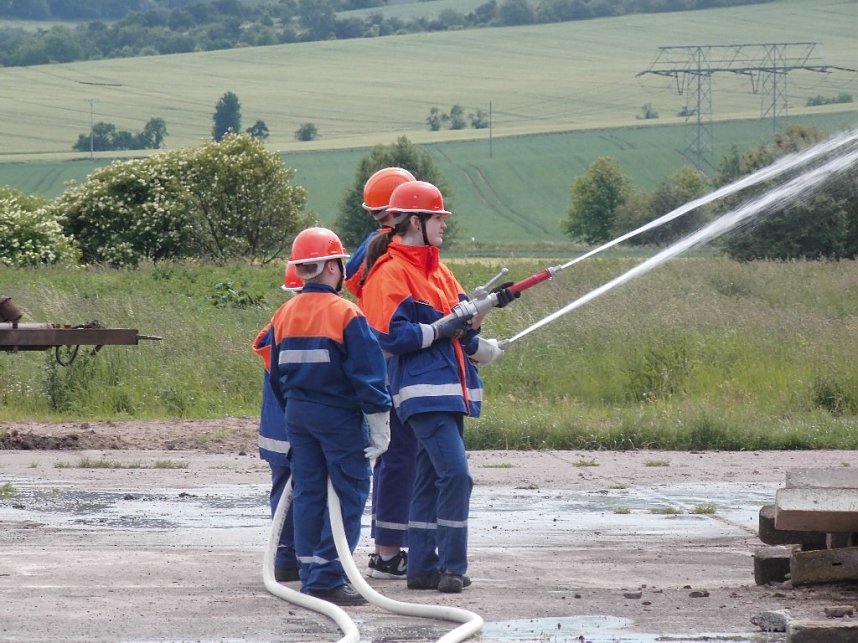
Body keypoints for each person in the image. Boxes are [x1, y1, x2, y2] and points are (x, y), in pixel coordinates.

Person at [360, 181, 517, 594]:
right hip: (421, 392)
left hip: (450, 389)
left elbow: (461, 329)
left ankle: (422, 569)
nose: (444, 226)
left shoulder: (440, 272)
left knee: (430, 479)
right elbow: (390, 336)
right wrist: (442, 327)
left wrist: (483, 324)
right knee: (457, 475)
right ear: (416, 221)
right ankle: (452, 566)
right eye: (438, 219)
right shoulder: (389, 273)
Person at [267, 227, 392, 607]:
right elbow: (369, 375)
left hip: (298, 415)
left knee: (308, 492)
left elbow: (275, 374)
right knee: (350, 491)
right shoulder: (345, 313)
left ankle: (310, 570)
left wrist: (294, 412)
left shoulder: (284, 314)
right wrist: (380, 425)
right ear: (334, 267)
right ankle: (326, 576)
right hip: (337, 416)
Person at [345, 166, 418, 580]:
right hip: (392, 362)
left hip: (381, 362)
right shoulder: (386, 250)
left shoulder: (375, 246)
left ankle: (393, 547)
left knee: (399, 456)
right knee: (397, 455)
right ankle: (388, 553)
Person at [251, 263, 304, 583]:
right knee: (308, 492)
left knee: (284, 490)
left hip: (276, 430)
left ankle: (285, 556)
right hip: (299, 429)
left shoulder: (279, 321)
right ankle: (296, 555)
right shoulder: (309, 322)